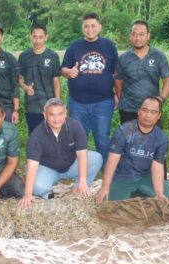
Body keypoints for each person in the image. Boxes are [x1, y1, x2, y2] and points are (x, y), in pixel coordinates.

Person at [19, 98, 102, 208]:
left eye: (60, 114)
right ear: (44, 115)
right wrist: (27, 194)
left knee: (97, 158)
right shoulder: (36, 136)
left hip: (71, 164)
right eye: (51, 115)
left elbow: (82, 154)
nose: (56, 119)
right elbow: (32, 165)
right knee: (38, 186)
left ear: (65, 113)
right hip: (49, 169)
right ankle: (47, 195)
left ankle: (78, 187)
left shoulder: (75, 126)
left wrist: (82, 180)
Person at [61, 13, 118, 166]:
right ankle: (79, 167)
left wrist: (117, 94)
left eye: (93, 25)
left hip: (104, 101)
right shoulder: (75, 46)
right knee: (79, 137)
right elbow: (63, 69)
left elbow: (116, 72)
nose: (90, 29)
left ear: (99, 27)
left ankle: (106, 168)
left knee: (102, 137)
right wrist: (69, 72)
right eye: (86, 26)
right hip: (77, 102)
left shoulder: (109, 45)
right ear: (82, 28)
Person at [95, 97, 169, 202]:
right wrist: (105, 186)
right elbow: (112, 160)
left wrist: (159, 193)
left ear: (159, 116)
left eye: (153, 112)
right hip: (123, 177)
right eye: (144, 110)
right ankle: (137, 193)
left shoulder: (161, 138)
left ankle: (141, 192)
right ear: (138, 111)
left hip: (146, 176)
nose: (148, 115)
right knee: (108, 203)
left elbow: (157, 166)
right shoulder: (124, 130)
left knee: (168, 198)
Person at [115, 20, 169, 124]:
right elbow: (118, 84)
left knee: (153, 139)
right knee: (129, 139)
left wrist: (161, 99)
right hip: (128, 110)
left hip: (152, 110)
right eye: (134, 34)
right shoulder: (123, 58)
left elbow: (167, 81)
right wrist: (124, 101)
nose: (138, 38)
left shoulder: (159, 56)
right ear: (130, 36)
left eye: (142, 34)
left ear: (148, 35)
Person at [18, 23, 61, 134]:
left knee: (51, 136)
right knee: (34, 136)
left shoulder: (53, 56)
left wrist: (57, 102)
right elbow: (19, 78)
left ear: (46, 37)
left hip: (49, 105)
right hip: (31, 105)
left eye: (40, 37)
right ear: (30, 36)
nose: (37, 40)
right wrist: (25, 87)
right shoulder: (24, 56)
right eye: (35, 37)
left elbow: (56, 81)